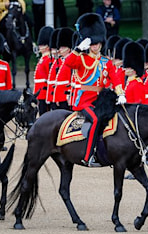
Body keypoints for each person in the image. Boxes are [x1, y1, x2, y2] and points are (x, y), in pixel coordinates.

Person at [64, 13, 125, 167]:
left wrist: (121, 93)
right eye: (93, 44)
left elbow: (115, 78)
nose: (95, 46)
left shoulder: (106, 61)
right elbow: (68, 63)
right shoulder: (81, 58)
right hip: (84, 101)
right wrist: (78, 49)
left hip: (100, 101)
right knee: (96, 119)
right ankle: (88, 155)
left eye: (98, 43)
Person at [34, 25, 53, 116]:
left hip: (45, 93)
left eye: (42, 45)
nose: (40, 47)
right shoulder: (43, 59)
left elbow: (49, 78)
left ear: (47, 46)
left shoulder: (48, 59)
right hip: (40, 93)